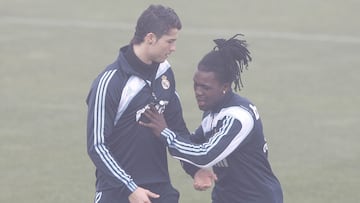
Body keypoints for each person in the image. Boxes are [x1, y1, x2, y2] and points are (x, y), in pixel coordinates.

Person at [140, 34, 284, 203]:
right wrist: (195, 171)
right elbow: (192, 144)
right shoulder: (213, 112)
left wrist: (165, 133)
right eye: (196, 85)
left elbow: (205, 155)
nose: (198, 92)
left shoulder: (238, 117)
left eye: (205, 87)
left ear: (224, 86)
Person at [86, 4, 193, 203]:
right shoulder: (110, 82)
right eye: (169, 41)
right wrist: (130, 188)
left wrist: (196, 169)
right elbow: (97, 145)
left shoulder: (165, 74)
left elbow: (178, 128)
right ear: (150, 38)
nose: (173, 48)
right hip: (116, 193)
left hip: (160, 191)